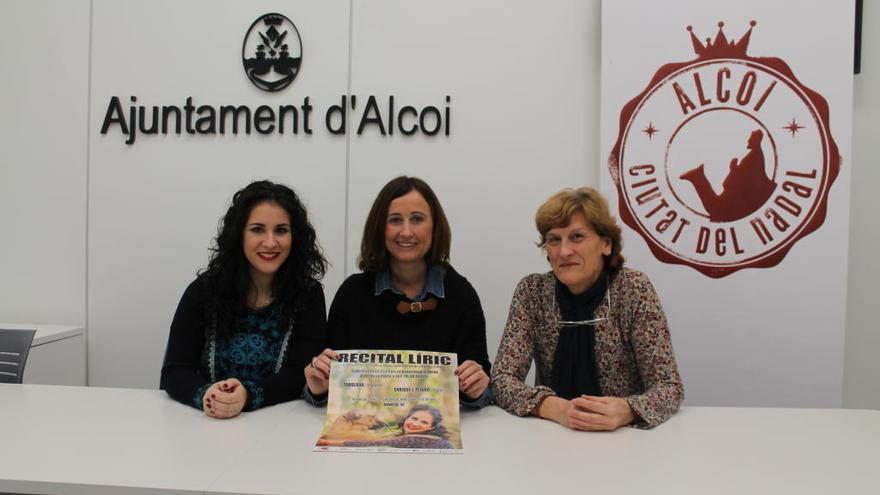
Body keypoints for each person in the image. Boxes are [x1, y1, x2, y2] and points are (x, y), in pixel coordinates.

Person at [491, 187, 684, 430]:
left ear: (606, 244)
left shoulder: (632, 288)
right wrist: (557, 408)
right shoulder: (532, 292)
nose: (564, 251)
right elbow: (501, 380)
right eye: (553, 240)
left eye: (577, 237)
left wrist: (627, 410)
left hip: (623, 440)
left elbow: (669, 387)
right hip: (552, 434)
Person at [304, 176, 492, 407]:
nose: (406, 231)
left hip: (436, 430)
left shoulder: (461, 294)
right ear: (379, 228)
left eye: (417, 219)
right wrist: (319, 388)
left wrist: (476, 388)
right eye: (394, 220)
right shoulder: (352, 294)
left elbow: (482, 387)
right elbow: (328, 384)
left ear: (435, 227)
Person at [160, 180, 328, 419]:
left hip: (279, 428)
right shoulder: (202, 291)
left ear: (295, 237)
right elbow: (174, 370)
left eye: (281, 230)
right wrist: (208, 396)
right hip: (202, 425)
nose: (270, 242)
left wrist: (248, 394)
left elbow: (300, 373)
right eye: (257, 229)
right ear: (239, 234)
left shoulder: (308, 294)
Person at [317, 404, 453, 449]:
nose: (415, 423)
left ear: (431, 427)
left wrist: (326, 442)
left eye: (424, 422)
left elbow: (377, 442)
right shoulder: (400, 434)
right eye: (414, 418)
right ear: (407, 418)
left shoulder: (425, 439)